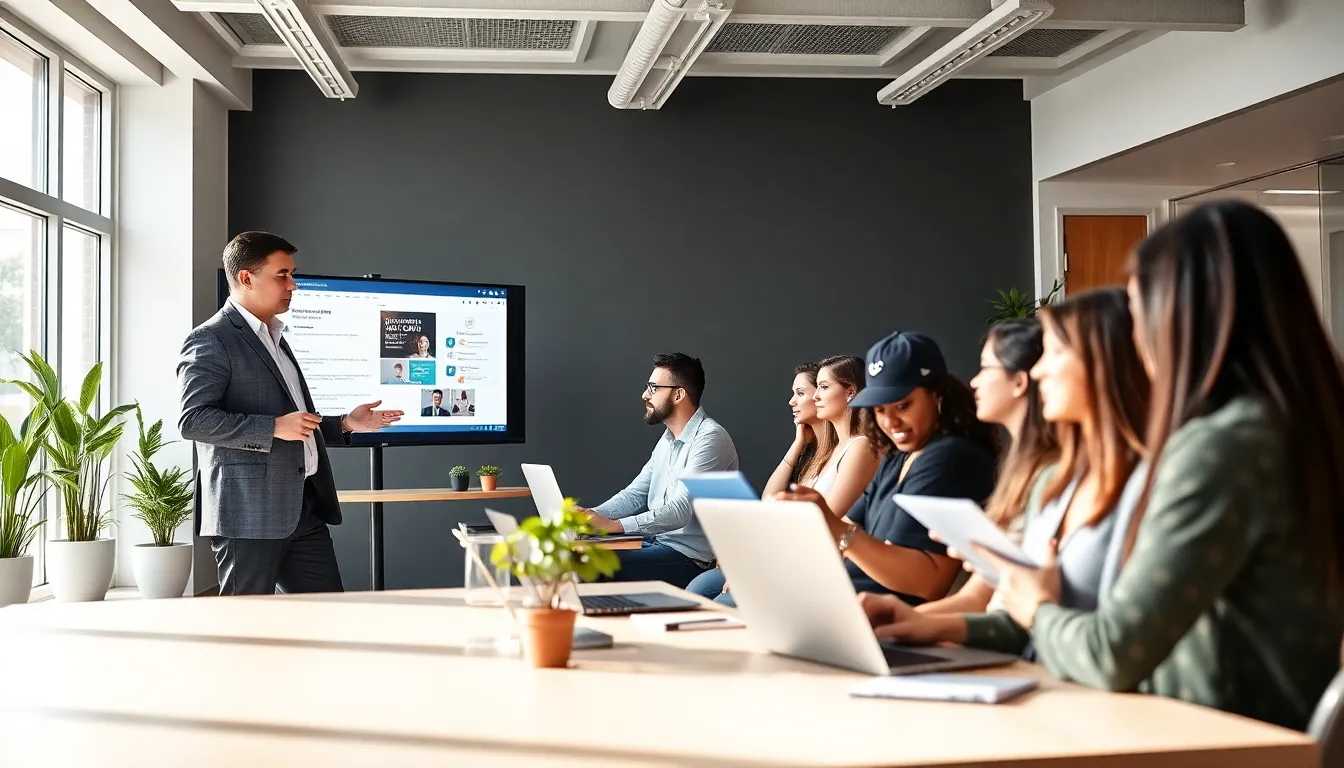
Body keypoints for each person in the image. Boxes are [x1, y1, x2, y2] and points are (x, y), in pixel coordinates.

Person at [952, 201, 1344, 730]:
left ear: (1180, 315)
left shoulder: (1220, 447)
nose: (1134, 338)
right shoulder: (1292, 425)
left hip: (1209, 739)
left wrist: (1036, 609)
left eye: (1138, 313)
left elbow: (1112, 654)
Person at [863, 288, 1149, 645]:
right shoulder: (1046, 478)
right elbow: (1006, 613)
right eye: (880, 410)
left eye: (1055, 353)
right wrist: (909, 624)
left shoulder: (1130, 480)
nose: (1039, 369)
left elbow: (1094, 641)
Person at [178, 231, 403, 595]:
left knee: (327, 620)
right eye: (282, 275)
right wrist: (272, 428)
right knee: (247, 628)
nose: (293, 284)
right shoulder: (212, 338)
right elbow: (194, 420)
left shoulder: (276, 337)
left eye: (292, 273)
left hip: (304, 509)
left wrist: (346, 424)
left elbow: (294, 423)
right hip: (248, 516)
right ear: (246, 279)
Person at [780, 331, 998, 604]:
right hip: (839, 600)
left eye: (902, 405)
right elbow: (848, 527)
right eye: (880, 410)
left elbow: (926, 583)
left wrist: (833, 527)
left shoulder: (951, 457)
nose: (891, 422)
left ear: (937, 396)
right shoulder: (898, 456)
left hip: (882, 618)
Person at [908, 318, 1059, 616]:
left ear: (1019, 382)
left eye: (986, 367)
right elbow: (978, 597)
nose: (973, 381)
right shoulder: (1017, 468)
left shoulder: (1052, 474)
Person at [583, 353, 739, 588]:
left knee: (591, 562)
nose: (645, 395)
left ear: (678, 394)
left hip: (690, 558)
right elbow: (634, 495)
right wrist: (589, 515)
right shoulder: (667, 440)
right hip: (657, 543)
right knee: (578, 551)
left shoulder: (710, 438)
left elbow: (680, 511)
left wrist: (616, 526)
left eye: (653, 388)